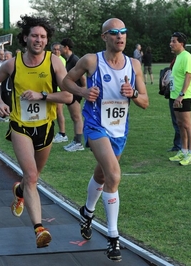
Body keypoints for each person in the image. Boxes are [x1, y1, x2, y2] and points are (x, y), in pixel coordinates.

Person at [61, 18, 149, 261]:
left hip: (119, 129)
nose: (120, 37)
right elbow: (66, 80)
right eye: (114, 33)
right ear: (104, 37)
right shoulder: (91, 60)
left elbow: (145, 102)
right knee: (114, 175)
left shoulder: (134, 65)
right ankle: (113, 237)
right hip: (96, 125)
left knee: (102, 175)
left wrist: (134, 94)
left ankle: (87, 211)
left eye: (123, 32)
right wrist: (82, 91)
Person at [0, 15, 72, 249]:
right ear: (25, 38)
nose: (39, 40)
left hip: (45, 128)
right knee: (32, 176)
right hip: (20, 127)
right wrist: (0, 103)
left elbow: (67, 96)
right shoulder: (13, 63)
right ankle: (39, 229)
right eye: (34, 35)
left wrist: (42, 96)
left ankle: (19, 190)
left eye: (43, 36)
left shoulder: (55, 62)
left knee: (32, 178)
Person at [168, 32, 191, 166]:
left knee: (187, 124)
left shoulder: (187, 57)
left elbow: (188, 77)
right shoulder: (178, 57)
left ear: (181, 43)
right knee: (180, 124)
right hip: (175, 96)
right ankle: (183, 151)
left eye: (174, 41)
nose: (171, 44)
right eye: (171, 41)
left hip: (184, 97)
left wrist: (181, 95)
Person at [60, 37, 87, 152]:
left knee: (77, 117)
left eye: (61, 47)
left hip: (76, 92)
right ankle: (76, 140)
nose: (59, 49)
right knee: (74, 117)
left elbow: (83, 78)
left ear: (66, 47)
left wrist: (83, 91)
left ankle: (78, 143)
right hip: (72, 92)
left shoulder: (75, 60)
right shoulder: (68, 59)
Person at [51, 42, 69, 143]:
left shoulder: (62, 61)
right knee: (51, 111)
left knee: (59, 111)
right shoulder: (50, 59)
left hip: (59, 90)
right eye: (54, 49)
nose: (56, 51)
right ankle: (53, 132)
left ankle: (62, 133)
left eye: (58, 49)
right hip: (51, 89)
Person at [167, 56, 181, 152]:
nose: (171, 44)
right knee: (177, 122)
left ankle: (180, 145)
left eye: (174, 41)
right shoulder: (176, 58)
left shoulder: (182, 58)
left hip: (178, 95)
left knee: (179, 122)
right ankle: (179, 145)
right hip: (173, 93)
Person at [0, 50, 13, 122]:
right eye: (4, 56)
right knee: (3, 100)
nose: (5, 58)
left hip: (9, 87)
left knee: (9, 101)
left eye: (7, 57)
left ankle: (10, 116)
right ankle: (3, 116)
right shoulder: (3, 64)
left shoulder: (13, 65)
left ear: (11, 57)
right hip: (3, 85)